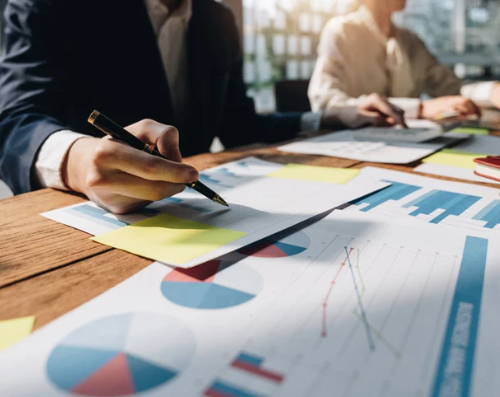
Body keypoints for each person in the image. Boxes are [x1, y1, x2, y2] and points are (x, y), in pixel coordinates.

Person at [0, 0, 405, 214]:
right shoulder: (52, 4)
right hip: (85, 221)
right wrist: (78, 158)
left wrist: (333, 115)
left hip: (187, 215)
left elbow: (240, 126)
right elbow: (15, 123)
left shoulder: (218, 20)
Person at [309, 0, 500, 121]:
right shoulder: (341, 31)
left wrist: (492, 92)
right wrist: (420, 108)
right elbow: (325, 103)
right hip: (355, 146)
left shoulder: (411, 41)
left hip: (417, 144)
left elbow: (451, 88)